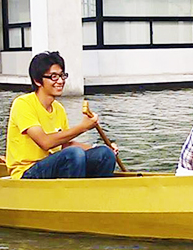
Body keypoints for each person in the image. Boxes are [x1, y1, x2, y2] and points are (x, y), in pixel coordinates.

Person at [6, 51, 117, 179]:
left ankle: (94, 195)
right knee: (73, 155)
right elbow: (45, 142)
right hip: (27, 172)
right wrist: (83, 127)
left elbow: (66, 144)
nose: (60, 81)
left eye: (62, 76)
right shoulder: (23, 104)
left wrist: (98, 147)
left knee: (105, 154)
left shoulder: (58, 108)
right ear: (37, 81)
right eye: (54, 77)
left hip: (53, 165)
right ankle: (72, 196)